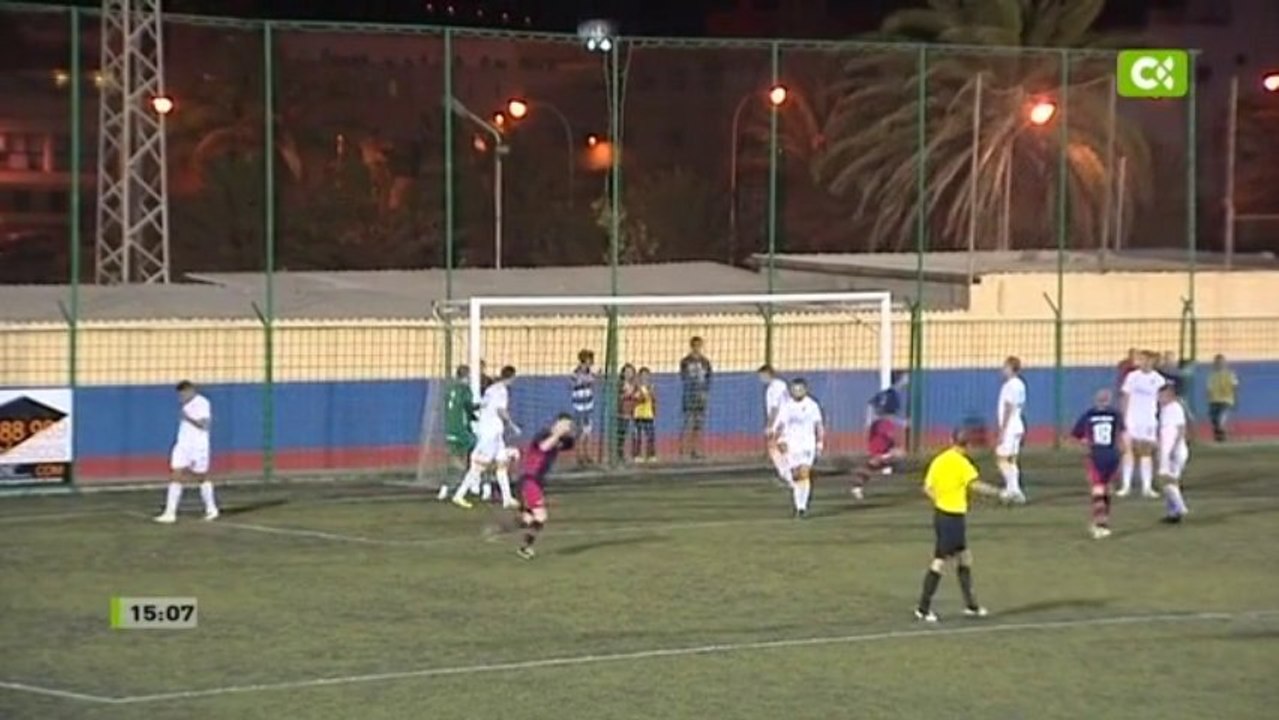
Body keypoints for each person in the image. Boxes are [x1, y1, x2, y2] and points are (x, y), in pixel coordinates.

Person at [914, 426, 1005, 623]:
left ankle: (971, 605)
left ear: (951, 440)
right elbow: (975, 484)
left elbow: (927, 488)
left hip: (941, 514)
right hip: (952, 517)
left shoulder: (940, 460)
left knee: (964, 557)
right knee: (940, 561)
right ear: (968, 445)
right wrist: (998, 492)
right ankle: (923, 608)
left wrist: (939, 501)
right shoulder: (963, 464)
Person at [452, 365, 520, 510]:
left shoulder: (491, 389)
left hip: (493, 433)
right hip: (490, 433)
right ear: (512, 377)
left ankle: (507, 499)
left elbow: (485, 406)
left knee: (502, 464)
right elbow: (501, 410)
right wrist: (512, 426)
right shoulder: (501, 391)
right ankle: (459, 494)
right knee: (478, 467)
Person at [513, 414, 576, 559]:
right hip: (530, 480)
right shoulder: (544, 435)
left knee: (528, 519)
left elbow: (569, 444)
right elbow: (543, 447)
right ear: (557, 423)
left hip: (534, 482)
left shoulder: (561, 439)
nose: (566, 428)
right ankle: (525, 548)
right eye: (564, 424)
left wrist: (568, 435)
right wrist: (558, 434)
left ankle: (504, 528)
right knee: (541, 516)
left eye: (568, 426)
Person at [155, 381, 217, 523]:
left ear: (190, 391)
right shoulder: (185, 405)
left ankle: (211, 508)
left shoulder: (202, 403)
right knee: (176, 473)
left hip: (198, 446)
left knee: (201, 476)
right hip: (183, 445)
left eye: (182, 393)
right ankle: (170, 513)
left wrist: (187, 418)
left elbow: (205, 425)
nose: (180, 397)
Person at [1070, 389, 1126, 539]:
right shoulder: (1116, 415)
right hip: (1112, 454)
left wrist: (1085, 444)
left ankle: (1100, 525)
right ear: (1109, 400)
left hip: (1096, 454)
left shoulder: (1089, 415)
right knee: (1106, 489)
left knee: (1097, 489)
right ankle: (1104, 521)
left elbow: (1077, 434)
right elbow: (1122, 434)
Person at [771, 378, 824, 518]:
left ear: (805, 390)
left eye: (800, 389)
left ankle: (802, 507)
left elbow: (819, 425)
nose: (798, 392)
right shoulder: (787, 406)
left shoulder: (812, 405)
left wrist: (819, 443)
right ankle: (797, 504)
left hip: (807, 444)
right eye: (795, 389)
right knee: (796, 476)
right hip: (792, 444)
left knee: (804, 472)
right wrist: (778, 439)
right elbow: (780, 425)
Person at [1118, 351, 1165, 499]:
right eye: (1142, 360)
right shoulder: (1132, 377)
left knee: (1146, 452)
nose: (1145, 363)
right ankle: (1126, 486)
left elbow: (1162, 401)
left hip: (1149, 420)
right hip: (1132, 419)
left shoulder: (1158, 379)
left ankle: (1147, 487)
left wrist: (1161, 419)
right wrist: (1123, 419)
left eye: (1148, 360)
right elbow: (1125, 397)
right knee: (1128, 451)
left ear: (1153, 362)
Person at [995, 356, 1028, 503]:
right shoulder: (1021, 384)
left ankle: (1013, 489)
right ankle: (1013, 489)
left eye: (1005, 367)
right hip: (1018, 425)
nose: (1003, 370)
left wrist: (1002, 430)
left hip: (1010, 427)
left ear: (1010, 368)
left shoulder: (1009, 385)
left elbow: (1008, 407)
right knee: (1012, 459)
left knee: (1001, 458)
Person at [1157, 384, 1191, 523]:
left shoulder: (1175, 408)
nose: (1159, 398)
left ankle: (1181, 507)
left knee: (1167, 480)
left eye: (1162, 395)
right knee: (1169, 481)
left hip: (1174, 451)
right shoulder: (1165, 409)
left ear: (1170, 395)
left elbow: (1181, 429)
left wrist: (1173, 449)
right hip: (1168, 450)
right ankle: (1173, 513)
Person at [852, 410, 903, 500]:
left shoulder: (885, 423)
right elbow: (887, 436)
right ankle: (857, 487)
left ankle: (858, 487)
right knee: (872, 465)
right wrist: (892, 452)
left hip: (883, 449)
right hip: (879, 449)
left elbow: (891, 438)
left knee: (872, 466)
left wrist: (892, 449)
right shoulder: (880, 424)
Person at [679, 336, 713, 459]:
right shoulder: (685, 361)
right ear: (691, 346)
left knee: (699, 424)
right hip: (689, 395)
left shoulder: (705, 362)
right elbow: (683, 377)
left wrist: (705, 392)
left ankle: (695, 450)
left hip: (701, 395)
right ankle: (683, 450)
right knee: (688, 422)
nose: (697, 348)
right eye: (695, 346)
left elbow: (709, 378)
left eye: (699, 346)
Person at [759, 364, 791, 487]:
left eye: (762, 375)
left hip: (779, 422)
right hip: (784, 421)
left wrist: (769, 425)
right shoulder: (780, 385)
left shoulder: (774, 388)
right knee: (780, 447)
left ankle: (787, 475)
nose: (761, 378)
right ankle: (787, 474)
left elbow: (775, 407)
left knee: (776, 448)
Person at [570, 350, 596, 465]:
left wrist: (588, 379)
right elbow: (573, 383)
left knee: (588, 432)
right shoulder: (575, 373)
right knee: (580, 432)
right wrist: (583, 379)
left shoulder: (589, 373)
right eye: (589, 360)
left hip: (588, 406)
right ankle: (579, 456)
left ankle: (588, 455)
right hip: (579, 407)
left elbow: (592, 380)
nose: (590, 363)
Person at [1207, 354, 1239, 442]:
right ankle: (1219, 438)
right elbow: (1209, 389)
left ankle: (1223, 435)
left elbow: (1235, 387)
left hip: (1226, 400)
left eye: (1221, 362)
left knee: (1221, 418)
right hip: (1214, 401)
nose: (1219, 364)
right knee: (1214, 421)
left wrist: (1236, 400)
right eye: (1217, 362)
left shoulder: (1230, 374)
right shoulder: (1212, 375)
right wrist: (1208, 399)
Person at [614, 364, 639, 462]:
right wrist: (628, 394)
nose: (629, 374)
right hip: (621, 412)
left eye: (631, 372)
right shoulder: (620, 384)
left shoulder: (634, 384)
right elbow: (620, 396)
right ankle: (618, 454)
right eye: (627, 372)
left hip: (631, 412)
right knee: (620, 434)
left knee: (628, 433)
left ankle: (630, 453)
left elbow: (638, 395)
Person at [632, 367, 657, 462]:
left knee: (650, 435)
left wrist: (654, 411)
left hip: (648, 415)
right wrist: (642, 394)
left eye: (646, 376)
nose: (644, 378)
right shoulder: (636, 388)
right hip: (638, 415)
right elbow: (637, 399)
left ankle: (651, 454)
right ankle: (637, 454)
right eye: (642, 376)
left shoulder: (651, 387)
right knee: (637, 436)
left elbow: (653, 400)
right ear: (639, 377)